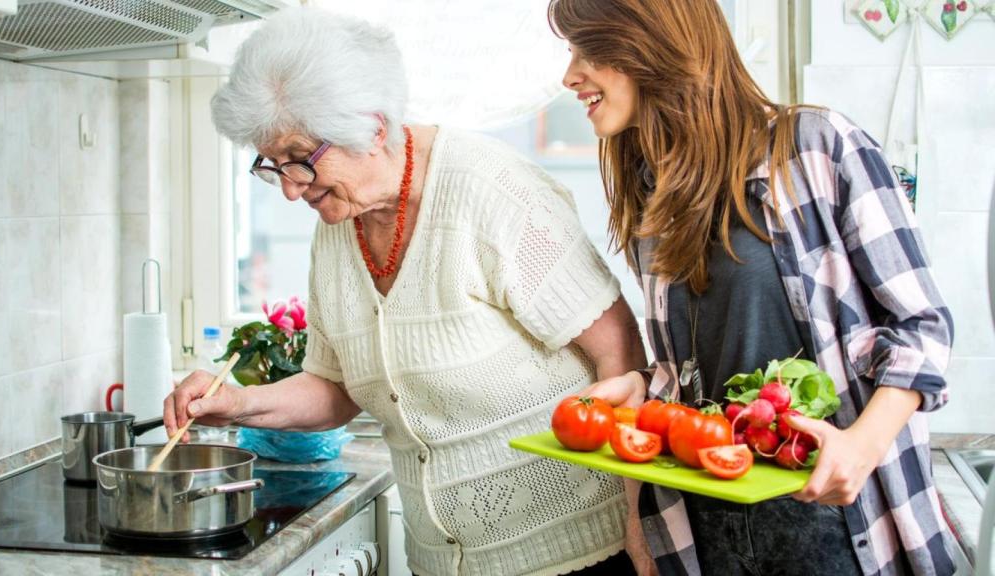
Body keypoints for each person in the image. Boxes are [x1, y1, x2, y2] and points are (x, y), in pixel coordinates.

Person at [163, 6, 650, 576]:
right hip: (440, 561)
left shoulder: (492, 192)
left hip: (574, 554)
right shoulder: (338, 228)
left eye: (301, 162)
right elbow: (336, 388)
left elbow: (620, 354)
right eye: (272, 167)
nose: (292, 190)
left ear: (373, 127)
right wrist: (238, 405)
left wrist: (641, 529)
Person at [549, 1, 956, 575]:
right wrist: (647, 386)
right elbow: (706, 364)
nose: (570, 75)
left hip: (834, 514)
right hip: (706, 520)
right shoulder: (651, 186)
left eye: (588, 50)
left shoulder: (816, 146)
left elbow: (923, 325)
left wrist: (860, 447)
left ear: (652, 44)